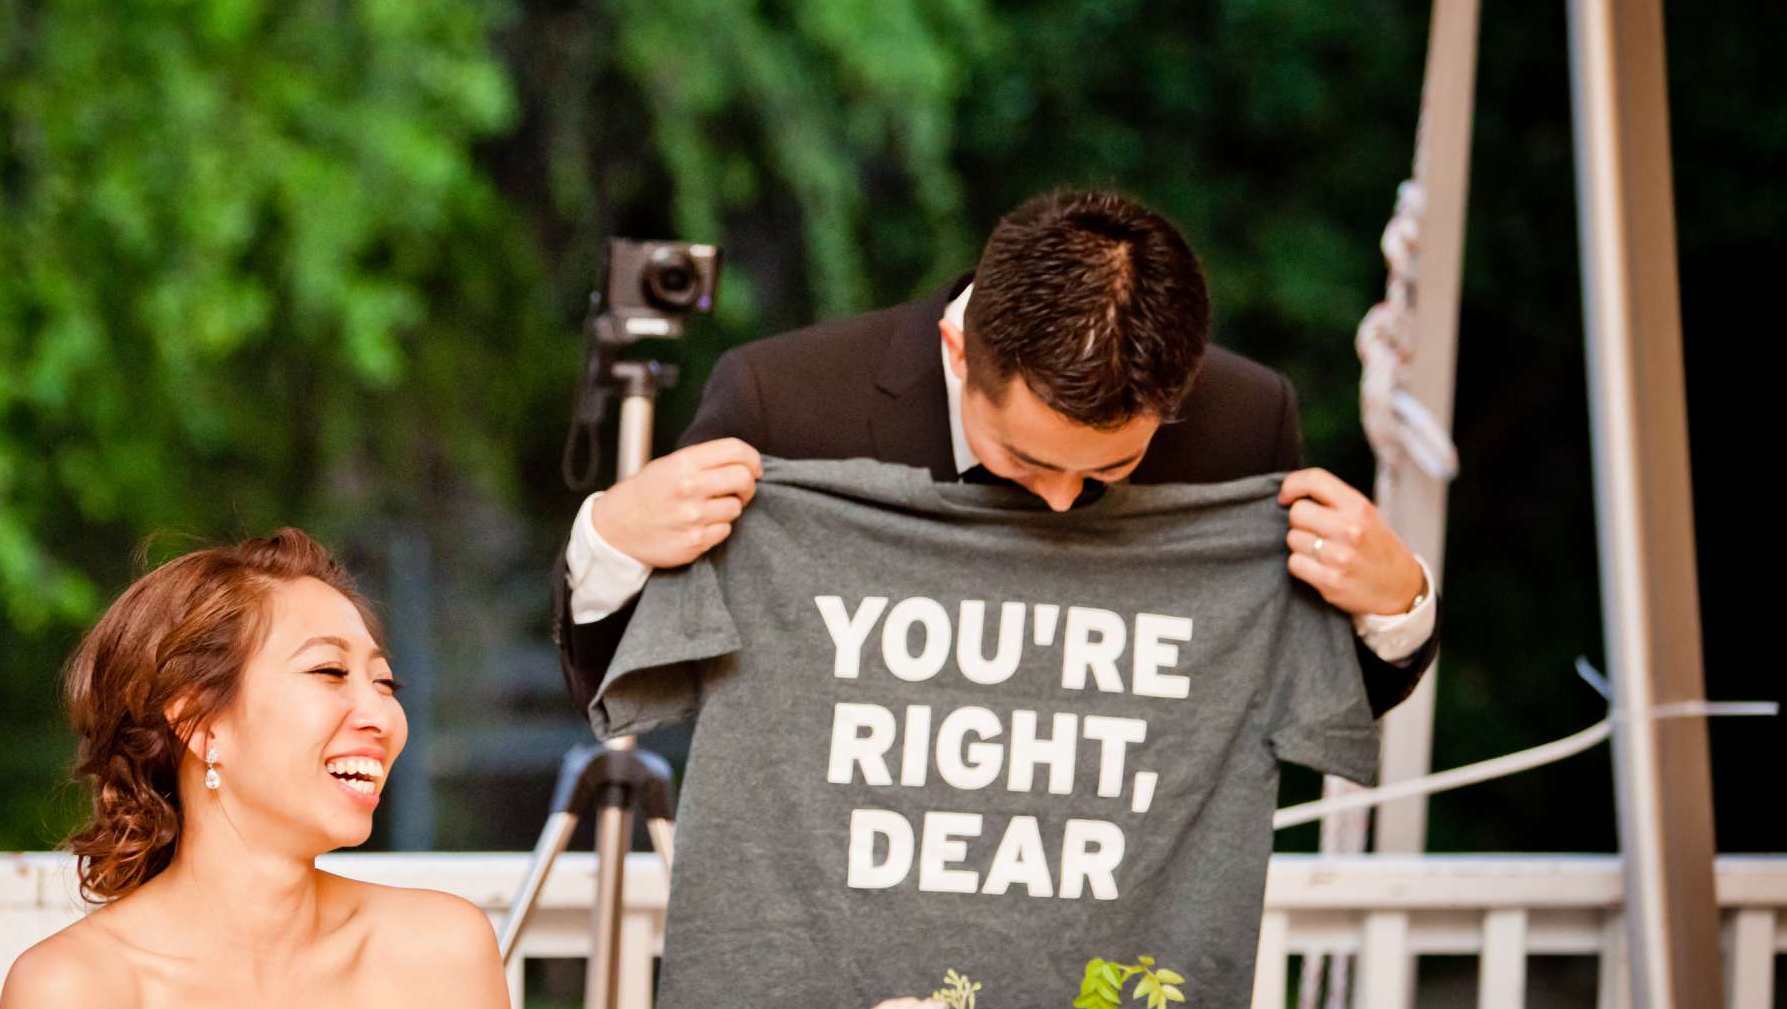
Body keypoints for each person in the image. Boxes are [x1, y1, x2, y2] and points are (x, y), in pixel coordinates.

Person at [553, 188, 1439, 719]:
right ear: (957, 351)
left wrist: (1395, 606)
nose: (1059, 501)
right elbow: (625, 686)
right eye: (1026, 457)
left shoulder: (1243, 421)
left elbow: (1311, 698)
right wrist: (612, 540)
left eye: (1108, 470)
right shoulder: (783, 401)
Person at [0, 530, 516, 1009]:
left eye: (385, 682)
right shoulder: (69, 990)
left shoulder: (444, 951)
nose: (380, 714)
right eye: (330, 673)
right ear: (201, 723)